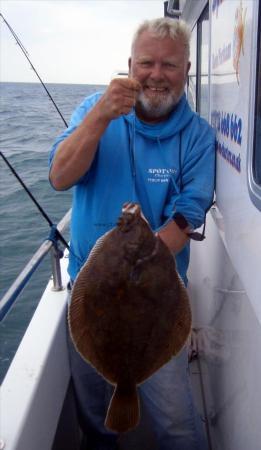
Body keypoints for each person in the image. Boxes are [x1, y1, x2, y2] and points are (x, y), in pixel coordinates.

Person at [49, 17, 215, 450]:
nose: (156, 74)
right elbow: (60, 177)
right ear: (129, 65)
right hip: (91, 289)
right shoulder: (92, 111)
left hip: (159, 299)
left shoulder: (198, 137)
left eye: (169, 65)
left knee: (176, 420)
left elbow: (187, 215)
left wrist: (142, 252)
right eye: (146, 63)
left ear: (187, 70)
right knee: (92, 415)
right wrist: (102, 116)